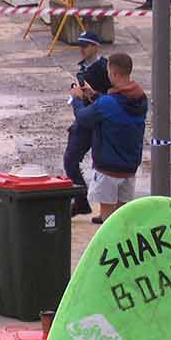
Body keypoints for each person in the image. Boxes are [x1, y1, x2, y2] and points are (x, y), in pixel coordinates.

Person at [70, 52, 147, 224]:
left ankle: (109, 250)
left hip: (108, 169)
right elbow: (115, 107)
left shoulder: (108, 104)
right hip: (129, 167)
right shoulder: (140, 97)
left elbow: (83, 118)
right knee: (121, 218)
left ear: (114, 73)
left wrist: (77, 99)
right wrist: (94, 95)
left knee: (107, 223)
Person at [65, 31, 113, 216]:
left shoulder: (105, 68)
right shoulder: (84, 67)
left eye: (85, 46)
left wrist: (80, 97)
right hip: (85, 120)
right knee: (70, 160)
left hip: (96, 120)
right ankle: (81, 200)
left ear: (95, 47)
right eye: (80, 46)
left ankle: (105, 212)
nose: (81, 50)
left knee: (102, 166)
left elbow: (110, 97)